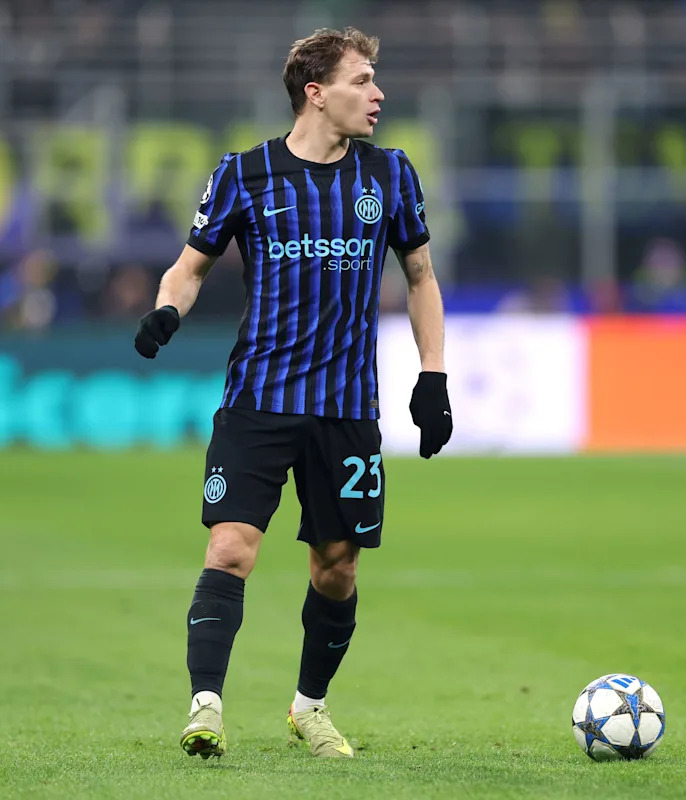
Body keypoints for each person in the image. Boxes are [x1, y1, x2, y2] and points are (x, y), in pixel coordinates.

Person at [133, 27, 452, 760]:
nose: (377, 95)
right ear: (316, 93)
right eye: (362, 80)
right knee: (230, 548)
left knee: (337, 566)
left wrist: (433, 374)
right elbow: (189, 267)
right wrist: (167, 310)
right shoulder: (244, 174)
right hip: (259, 398)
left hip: (347, 406)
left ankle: (309, 708)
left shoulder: (390, 174)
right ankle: (206, 706)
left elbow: (421, 277)